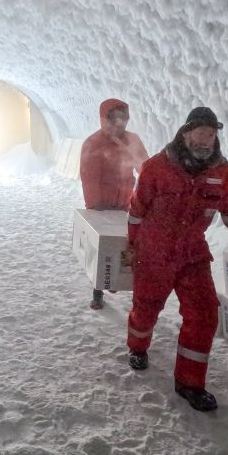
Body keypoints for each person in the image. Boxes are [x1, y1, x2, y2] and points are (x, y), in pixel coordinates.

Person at [125, 106, 228, 411]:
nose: (206, 140)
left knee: (205, 313)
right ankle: (138, 346)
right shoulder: (157, 167)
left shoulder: (223, 173)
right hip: (154, 252)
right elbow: (137, 209)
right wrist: (132, 246)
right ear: (186, 133)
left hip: (192, 254)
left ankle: (189, 383)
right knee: (146, 308)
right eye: (200, 133)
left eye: (211, 135)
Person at [79, 98, 149, 309]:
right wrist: (95, 206)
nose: (120, 123)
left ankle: (118, 282)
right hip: (101, 205)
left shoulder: (132, 141)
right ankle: (98, 290)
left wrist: (148, 193)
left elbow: (145, 168)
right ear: (105, 119)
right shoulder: (93, 144)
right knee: (102, 247)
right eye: (114, 117)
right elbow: (89, 178)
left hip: (126, 203)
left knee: (126, 245)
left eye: (123, 117)